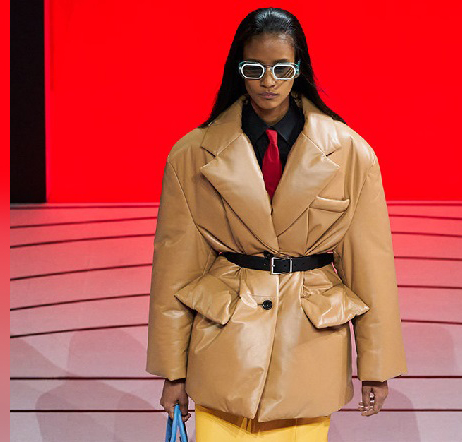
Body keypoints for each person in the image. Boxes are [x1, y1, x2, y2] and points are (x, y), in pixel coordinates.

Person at [147, 7, 408, 440]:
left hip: (308, 343)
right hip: (225, 341)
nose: (268, 81)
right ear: (239, 70)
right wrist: (173, 372)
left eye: (281, 68)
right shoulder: (192, 154)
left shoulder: (350, 153)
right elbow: (175, 267)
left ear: (298, 69)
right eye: (255, 68)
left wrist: (376, 366)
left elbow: (370, 264)